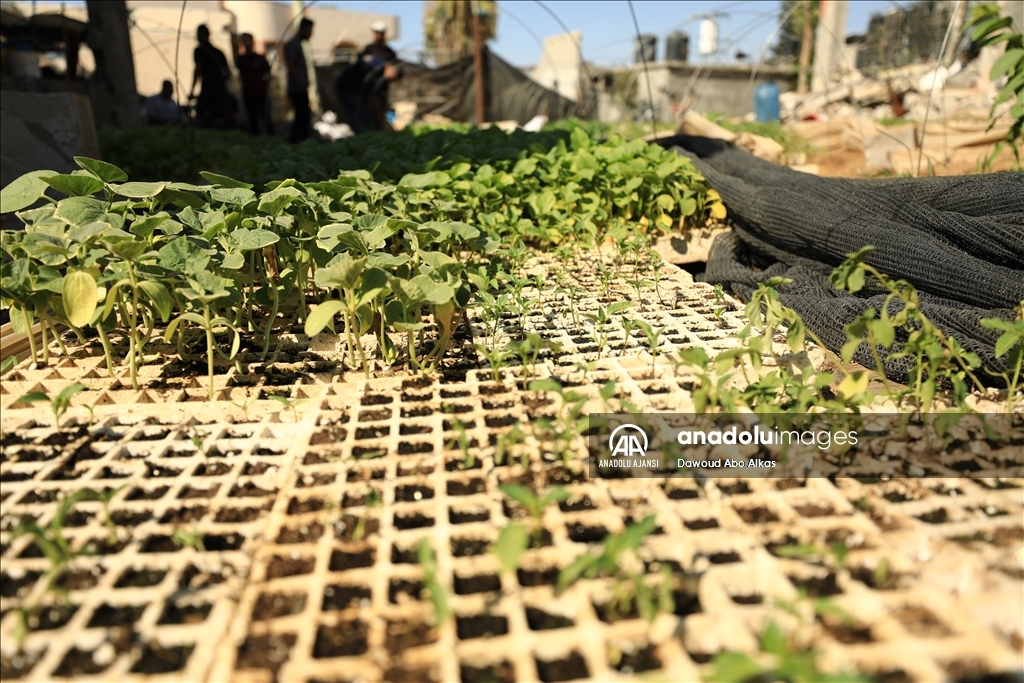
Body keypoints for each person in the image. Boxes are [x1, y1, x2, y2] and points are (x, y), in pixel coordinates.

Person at [189, 24, 230, 128]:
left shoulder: (200, 50)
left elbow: (198, 69)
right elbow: (228, 73)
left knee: (206, 118)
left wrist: (192, 90)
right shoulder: (219, 52)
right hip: (220, 89)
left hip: (209, 89)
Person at [284, 17, 314, 142]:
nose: (311, 34)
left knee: (303, 115)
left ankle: (301, 140)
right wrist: (302, 79)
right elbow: (290, 64)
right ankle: (298, 140)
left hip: (299, 87)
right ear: (303, 29)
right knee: (301, 116)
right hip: (296, 88)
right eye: (310, 30)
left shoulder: (298, 44)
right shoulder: (293, 44)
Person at [234, 33, 271, 134]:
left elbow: (268, 72)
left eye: (246, 40)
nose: (245, 43)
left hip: (260, 92)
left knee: (265, 117)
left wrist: (266, 86)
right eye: (243, 41)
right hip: (248, 92)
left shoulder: (259, 58)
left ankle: (270, 137)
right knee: (252, 118)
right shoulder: (241, 60)